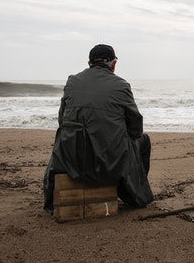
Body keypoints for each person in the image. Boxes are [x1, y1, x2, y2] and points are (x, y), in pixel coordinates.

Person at [43, 44, 153, 213]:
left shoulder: (72, 81)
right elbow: (135, 127)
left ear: (89, 63)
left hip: (71, 159)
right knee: (143, 141)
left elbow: (62, 120)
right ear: (114, 64)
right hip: (109, 161)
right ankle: (132, 192)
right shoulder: (121, 85)